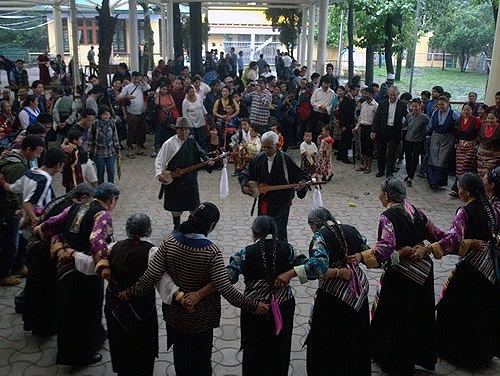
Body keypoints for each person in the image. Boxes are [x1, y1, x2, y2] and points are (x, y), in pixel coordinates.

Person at [121, 202, 268, 376]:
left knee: (181, 361)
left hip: (175, 318)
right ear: (211, 225)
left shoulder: (168, 242)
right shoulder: (211, 252)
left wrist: (129, 293)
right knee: (201, 364)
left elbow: (150, 276)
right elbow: (226, 289)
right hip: (201, 322)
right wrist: (253, 305)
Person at [349, 178, 439, 374]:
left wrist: (362, 256)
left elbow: (385, 249)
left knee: (396, 319)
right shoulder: (416, 211)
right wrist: (427, 249)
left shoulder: (387, 217)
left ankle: (395, 361)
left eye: (380, 192)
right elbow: (437, 234)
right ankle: (418, 356)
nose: (378, 195)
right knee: (418, 315)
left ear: (387, 195)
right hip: (423, 273)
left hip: (401, 276)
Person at [413, 173, 497, 368]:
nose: (458, 191)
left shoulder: (465, 212)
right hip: (488, 266)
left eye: (459, 188)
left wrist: (429, 248)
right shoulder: (490, 208)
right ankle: (481, 354)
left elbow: (453, 239)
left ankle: (458, 354)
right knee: (481, 309)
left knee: (456, 308)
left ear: (466, 192)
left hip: (471, 266)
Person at [33, 183, 120, 365]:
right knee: (88, 311)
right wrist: (103, 264)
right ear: (112, 200)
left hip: (66, 266)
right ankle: (84, 355)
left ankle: (68, 351)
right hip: (85, 270)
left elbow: (55, 222)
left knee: (69, 310)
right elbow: (96, 239)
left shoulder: (78, 205)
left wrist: (42, 229)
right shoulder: (102, 214)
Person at [225, 215, 307, 376]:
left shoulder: (244, 253)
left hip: (254, 308)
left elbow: (229, 278)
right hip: (283, 306)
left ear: (254, 233)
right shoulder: (288, 249)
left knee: (254, 350)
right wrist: (290, 273)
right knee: (280, 348)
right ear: (274, 232)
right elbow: (310, 266)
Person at [296, 207, 370, 376]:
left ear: (315, 225)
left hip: (334, 295)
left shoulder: (320, 237)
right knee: (356, 335)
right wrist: (358, 256)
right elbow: (367, 251)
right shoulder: (351, 230)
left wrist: (295, 272)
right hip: (359, 289)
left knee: (330, 340)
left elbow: (317, 268)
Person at [22, 184, 95, 336]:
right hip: (45, 254)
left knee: (37, 290)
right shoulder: (71, 208)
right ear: (83, 198)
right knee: (45, 292)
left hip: (37, 249)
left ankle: (38, 324)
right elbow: (58, 232)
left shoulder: (61, 200)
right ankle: (45, 328)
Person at [239, 131, 308, 241]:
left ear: (277, 145)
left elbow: (300, 175)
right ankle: (263, 254)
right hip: (265, 201)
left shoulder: (285, 159)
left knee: (279, 231)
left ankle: (280, 255)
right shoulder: (258, 159)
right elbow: (245, 174)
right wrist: (244, 186)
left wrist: (302, 184)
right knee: (262, 230)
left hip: (282, 202)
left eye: (269, 147)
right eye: (264, 147)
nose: (266, 150)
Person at [0, 135, 45, 286]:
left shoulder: (19, 161)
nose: (37, 156)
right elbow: (13, 192)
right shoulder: (17, 166)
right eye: (37, 153)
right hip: (9, 210)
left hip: (12, 209)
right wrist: (19, 210)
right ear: (28, 149)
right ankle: (4, 273)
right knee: (10, 243)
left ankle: (17, 266)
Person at [155, 117, 214, 230]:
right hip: (175, 179)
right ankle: (176, 226)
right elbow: (160, 160)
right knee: (176, 206)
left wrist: (208, 160)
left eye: (186, 130)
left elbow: (201, 152)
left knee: (193, 204)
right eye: (181, 130)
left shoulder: (191, 141)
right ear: (176, 130)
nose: (184, 132)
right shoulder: (169, 143)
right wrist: (159, 174)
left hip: (190, 178)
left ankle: (191, 225)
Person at [371, 86, 408, 178]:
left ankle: (390, 172)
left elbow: (407, 117)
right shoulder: (382, 103)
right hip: (383, 130)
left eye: (394, 95)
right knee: (381, 152)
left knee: (392, 153)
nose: (392, 97)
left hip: (394, 131)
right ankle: (381, 170)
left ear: (398, 95)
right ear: (388, 94)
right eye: (391, 95)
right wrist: (373, 130)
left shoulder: (402, 104)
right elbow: (377, 117)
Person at [426, 95, 459, 189]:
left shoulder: (453, 114)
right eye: (439, 104)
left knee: (442, 160)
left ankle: (438, 181)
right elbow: (430, 125)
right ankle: (432, 181)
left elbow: (458, 124)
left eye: (442, 104)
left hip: (447, 138)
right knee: (433, 158)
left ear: (447, 104)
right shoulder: (435, 112)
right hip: (435, 137)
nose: (440, 106)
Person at [450, 102, 482, 195]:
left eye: (469, 110)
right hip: (460, 146)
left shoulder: (476, 121)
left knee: (465, 166)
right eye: (465, 110)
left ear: (472, 110)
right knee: (459, 167)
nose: (466, 112)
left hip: (471, 147)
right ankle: (459, 187)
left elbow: (481, 133)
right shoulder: (460, 119)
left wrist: (475, 142)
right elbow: (456, 131)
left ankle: (459, 187)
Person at [119, 71, 151, 158]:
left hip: (141, 111)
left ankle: (138, 149)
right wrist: (127, 97)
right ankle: (129, 149)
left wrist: (142, 81)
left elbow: (148, 87)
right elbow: (119, 97)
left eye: (138, 78)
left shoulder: (141, 86)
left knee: (141, 131)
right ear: (132, 78)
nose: (136, 80)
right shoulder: (127, 87)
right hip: (131, 112)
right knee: (131, 131)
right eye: (135, 78)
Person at [87, 105, 120, 185]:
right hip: (98, 153)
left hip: (110, 152)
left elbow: (115, 137)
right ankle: (101, 189)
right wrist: (88, 152)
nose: (106, 116)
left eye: (108, 114)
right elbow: (90, 139)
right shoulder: (94, 124)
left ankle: (110, 188)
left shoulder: (111, 123)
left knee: (111, 171)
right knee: (100, 173)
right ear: (100, 114)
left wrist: (117, 148)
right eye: (104, 114)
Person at [403, 98, 429, 186]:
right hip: (408, 140)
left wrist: (424, 132)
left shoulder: (424, 117)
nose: (414, 108)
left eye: (416, 106)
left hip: (418, 141)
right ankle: (409, 173)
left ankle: (411, 177)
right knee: (408, 159)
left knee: (414, 160)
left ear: (420, 106)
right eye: (413, 106)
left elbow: (430, 125)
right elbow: (404, 125)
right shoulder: (409, 115)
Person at [355, 86, 378, 173]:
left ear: (371, 94)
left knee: (369, 148)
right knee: (363, 147)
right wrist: (357, 127)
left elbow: (376, 120)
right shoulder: (363, 104)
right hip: (363, 127)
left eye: (366, 93)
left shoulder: (376, 106)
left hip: (371, 128)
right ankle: (364, 165)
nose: (364, 95)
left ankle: (369, 166)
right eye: (364, 93)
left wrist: (374, 131)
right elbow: (360, 117)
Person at [153, 83, 177, 156]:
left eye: (166, 89)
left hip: (168, 117)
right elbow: (156, 104)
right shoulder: (158, 96)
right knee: (158, 133)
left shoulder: (169, 96)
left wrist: (168, 108)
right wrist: (157, 94)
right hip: (159, 117)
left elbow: (173, 104)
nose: (164, 91)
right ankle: (157, 150)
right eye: (163, 89)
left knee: (167, 134)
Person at [310, 77, 335, 144]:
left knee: (325, 130)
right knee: (315, 130)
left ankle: (325, 144)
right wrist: (319, 106)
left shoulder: (332, 93)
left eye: (328, 84)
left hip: (326, 114)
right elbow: (312, 101)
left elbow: (332, 104)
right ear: (322, 83)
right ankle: (314, 144)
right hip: (316, 113)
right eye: (325, 83)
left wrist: (326, 109)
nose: (326, 85)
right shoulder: (316, 91)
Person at [337, 84, 359, 163]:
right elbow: (344, 113)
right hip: (346, 124)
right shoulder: (347, 99)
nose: (357, 92)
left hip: (348, 123)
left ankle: (340, 155)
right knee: (345, 140)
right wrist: (343, 125)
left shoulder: (351, 99)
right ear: (352, 90)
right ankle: (344, 157)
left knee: (344, 139)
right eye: (356, 91)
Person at [477, 111, 500, 177]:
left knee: (488, 175)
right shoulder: (483, 126)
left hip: (493, 157)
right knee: (480, 173)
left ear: (497, 118)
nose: (490, 120)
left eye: (492, 118)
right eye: (488, 118)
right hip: (481, 156)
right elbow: (479, 138)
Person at [62, 128, 83, 193]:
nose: (81, 141)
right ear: (75, 141)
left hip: (74, 178)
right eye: (80, 139)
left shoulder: (75, 149)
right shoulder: (71, 151)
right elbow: (66, 165)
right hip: (72, 179)